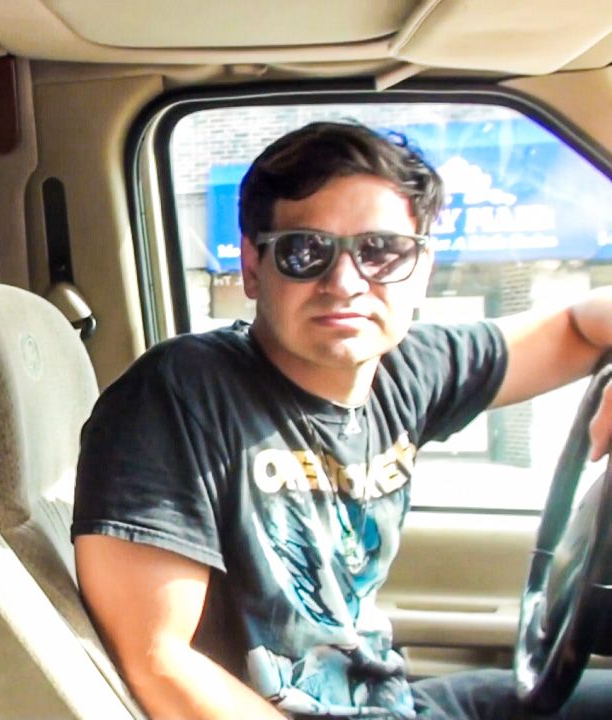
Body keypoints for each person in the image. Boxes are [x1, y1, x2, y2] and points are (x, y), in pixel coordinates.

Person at [72, 121, 612, 719]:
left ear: (422, 269)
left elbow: (582, 327)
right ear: (253, 265)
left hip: (390, 702)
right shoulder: (177, 395)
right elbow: (158, 662)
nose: (345, 283)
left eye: (381, 251)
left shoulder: (406, 370)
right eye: (305, 251)